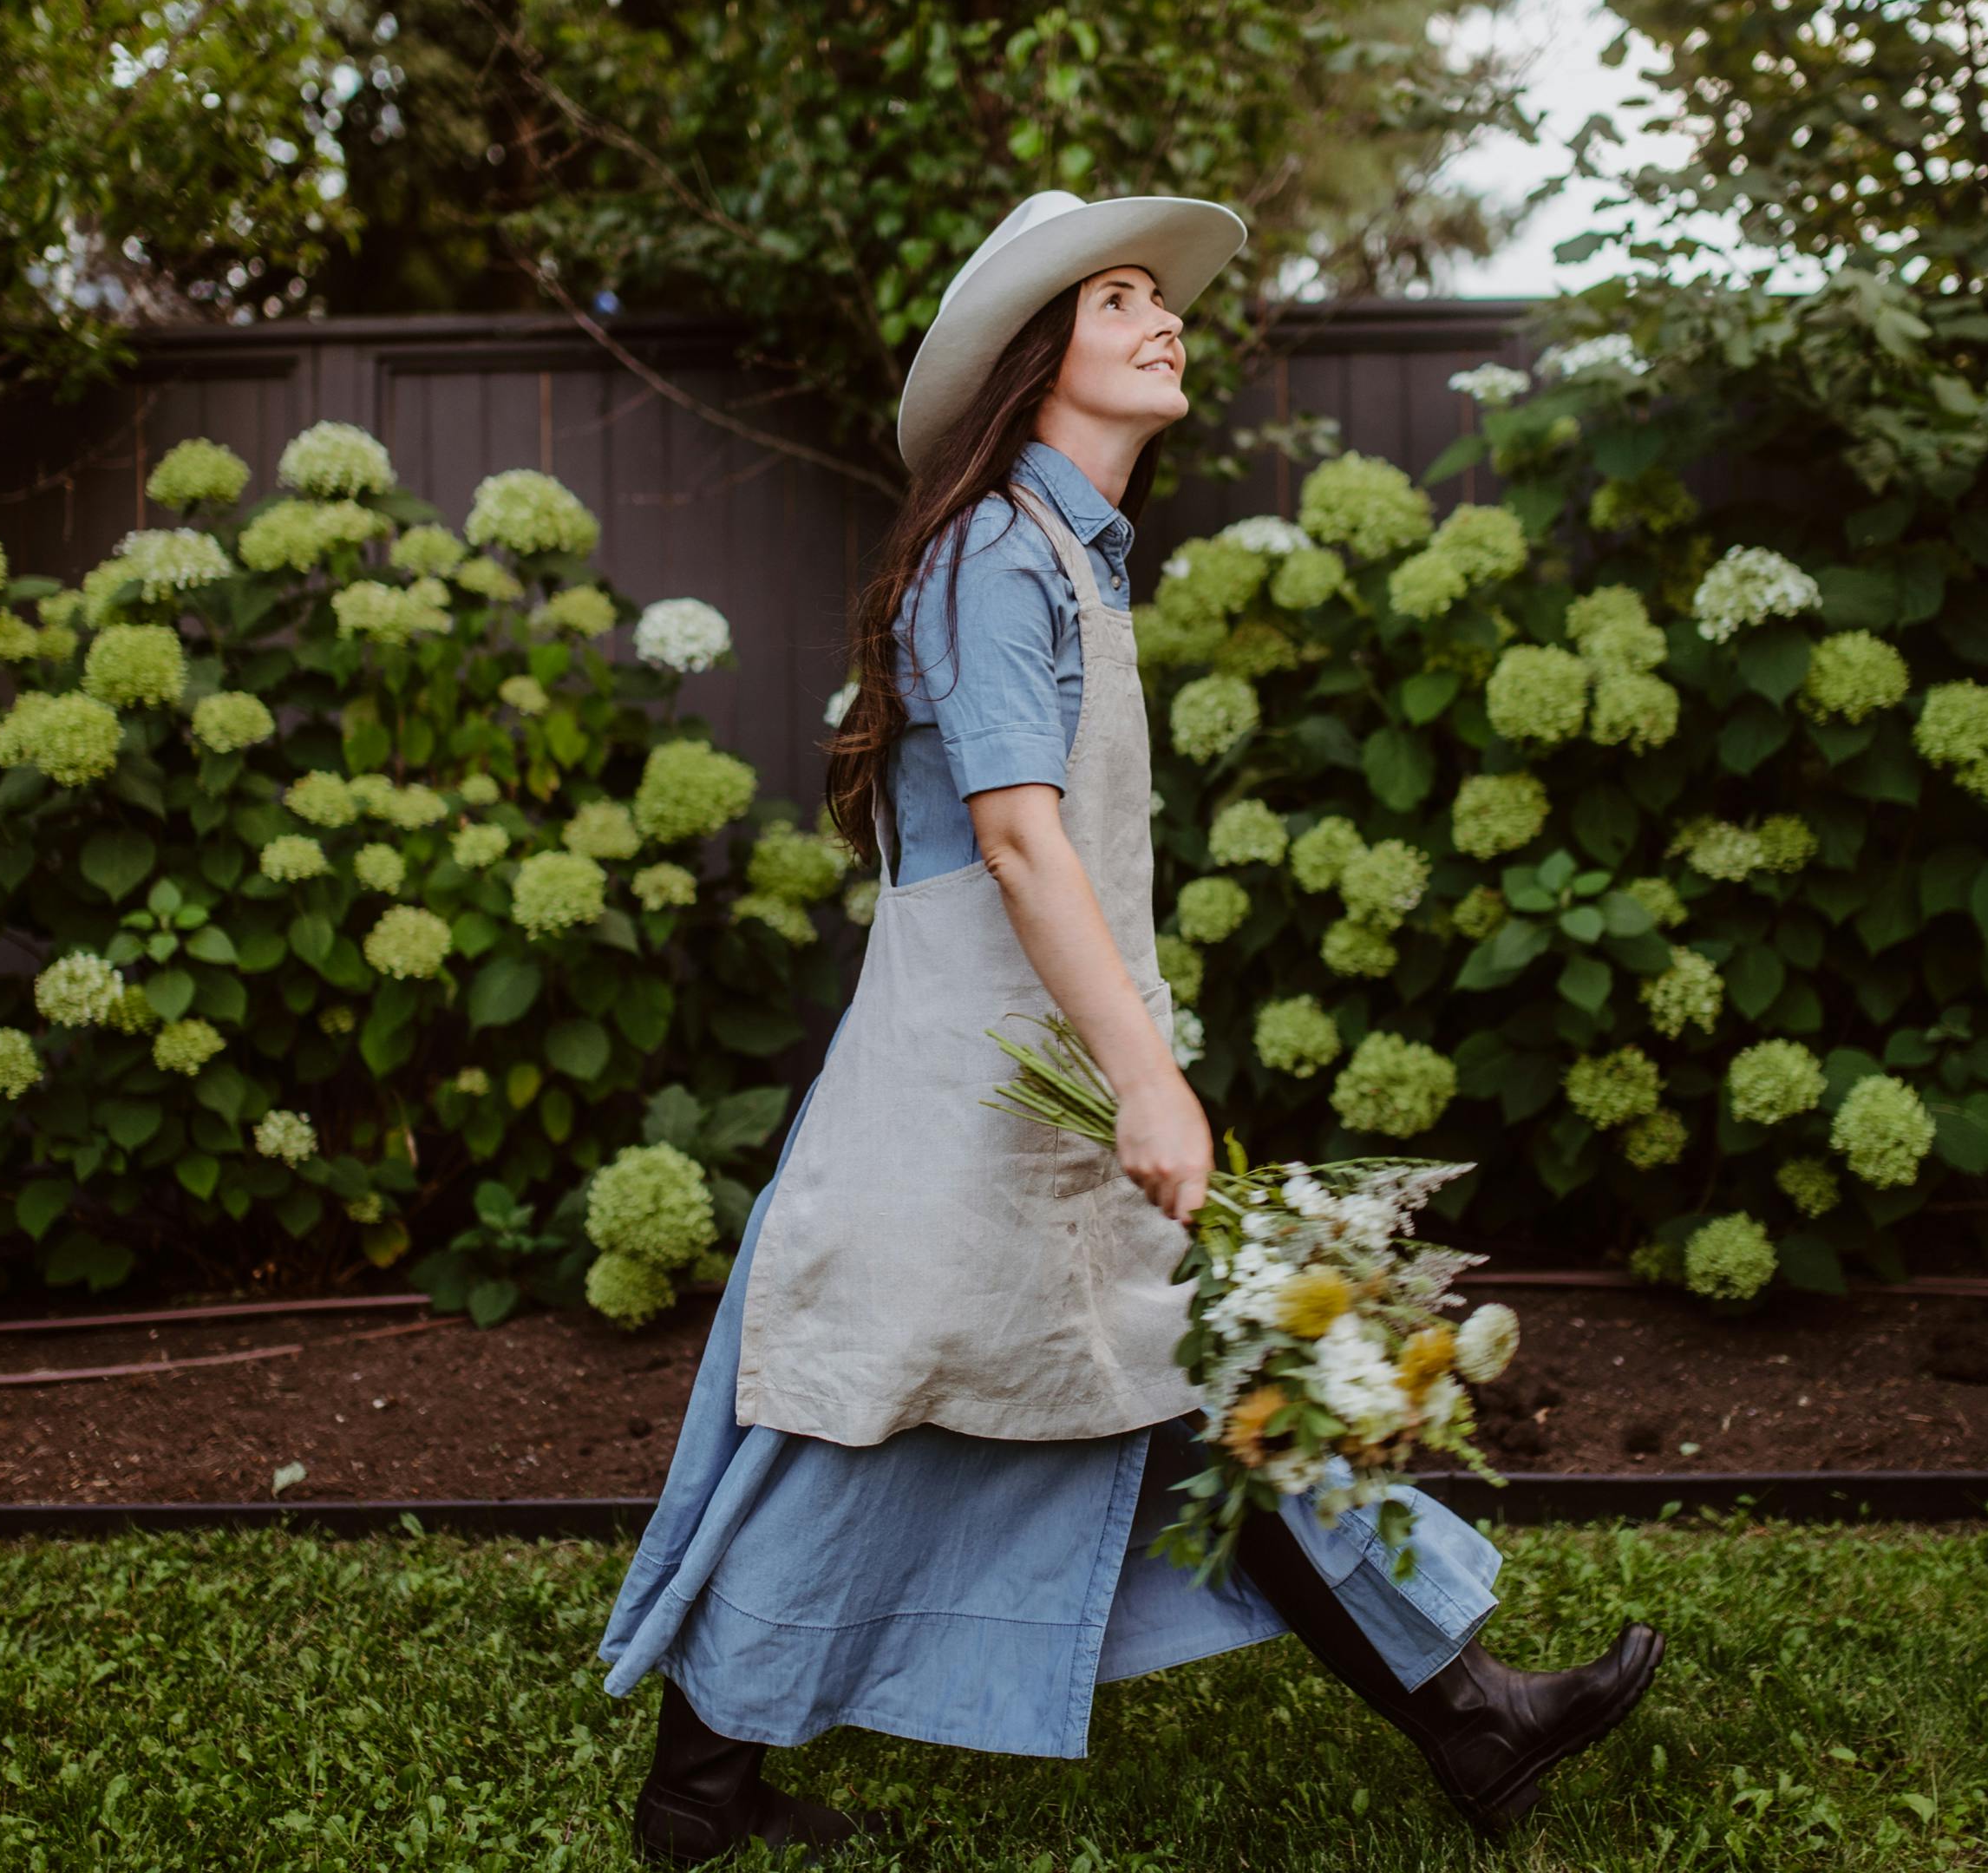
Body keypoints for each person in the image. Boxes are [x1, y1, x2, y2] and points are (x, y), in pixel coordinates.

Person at [598, 190, 1664, 1865]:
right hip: (966, 1085)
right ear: (1036, 363)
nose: (1164, 318)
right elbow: (1022, 841)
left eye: (1161, 302)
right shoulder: (993, 559)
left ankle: (1471, 1723)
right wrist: (1151, 1080)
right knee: (862, 1421)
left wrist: (1130, 1071)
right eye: (1117, 300)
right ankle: (697, 1799)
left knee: (1197, 1376)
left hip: (1052, 1075)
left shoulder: (1070, 563)